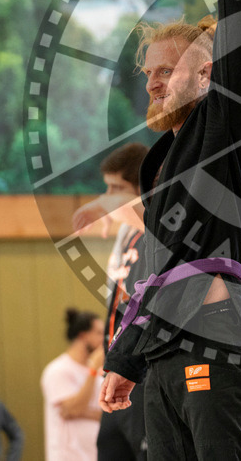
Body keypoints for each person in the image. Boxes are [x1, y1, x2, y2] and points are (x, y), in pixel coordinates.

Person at [100, 0, 241, 460]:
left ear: (206, 77)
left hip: (217, 336)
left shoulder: (229, 124)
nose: (153, 83)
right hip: (162, 353)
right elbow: (154, 266)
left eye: (168, 71)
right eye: (150, 72)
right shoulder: (161, 163)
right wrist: (124, 361)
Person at [71, 142, 150, 461]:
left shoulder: (158, 233)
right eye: (106, 188)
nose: (108, 196)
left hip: (143, 373)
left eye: (117, 188)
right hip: (116, 367)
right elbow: (113, 298)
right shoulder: (125, 233)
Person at [41, 308, 106, 461]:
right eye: (98, 333)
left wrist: (85, 412)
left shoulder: (100, 372)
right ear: (83, 336)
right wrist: (92, 371)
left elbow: (108, 414)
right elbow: (72, 409)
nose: (104, 339)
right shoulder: (58, 370)